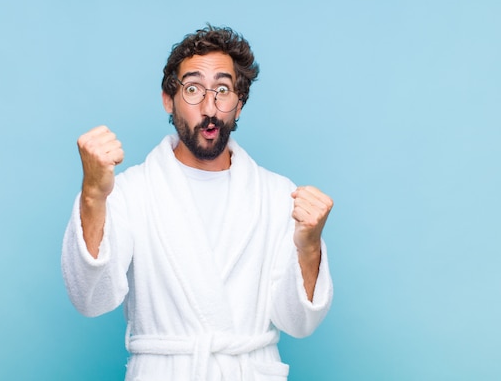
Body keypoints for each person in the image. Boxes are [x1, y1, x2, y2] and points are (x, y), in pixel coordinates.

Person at [61, 25, 334, 381]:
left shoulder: (276, 194)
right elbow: (90, 298)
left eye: (223, 90)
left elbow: (300, 322)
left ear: (239, 104)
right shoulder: (132, 192)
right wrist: (94, 195)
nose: (209, 107)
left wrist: (310, 247)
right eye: (192, 89)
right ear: (168, 99)